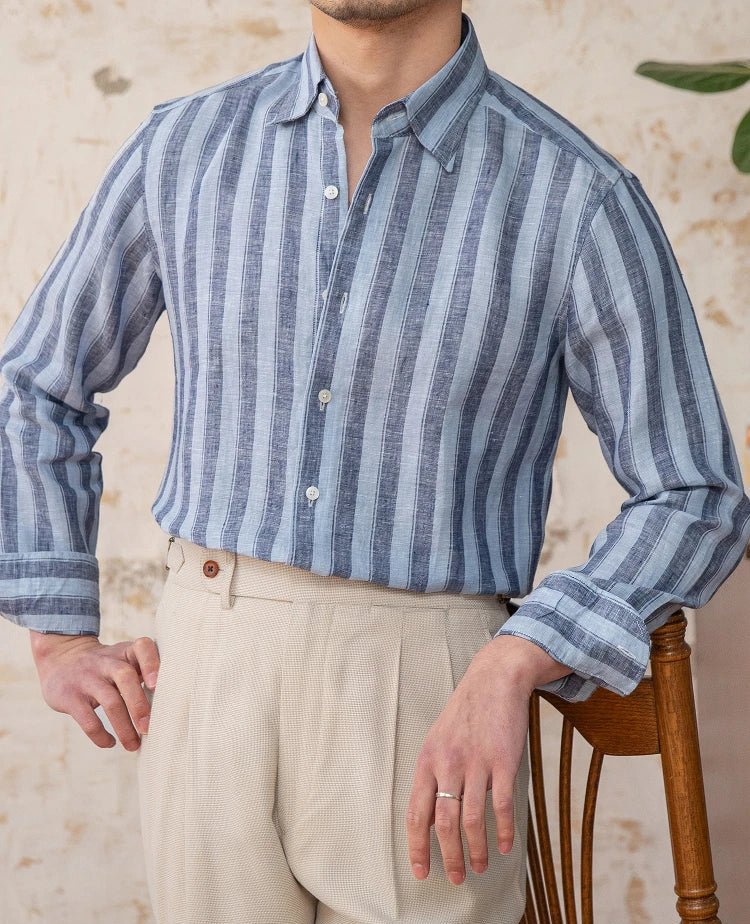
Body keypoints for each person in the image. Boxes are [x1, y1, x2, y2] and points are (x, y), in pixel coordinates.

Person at [2, 1, 749, 922]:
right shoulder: (185, 148)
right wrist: (59, 635)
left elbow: (695, 491)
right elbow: (39, 384)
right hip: (210, 665)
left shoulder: (573, 193)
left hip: (435, 686)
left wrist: (518, 657)